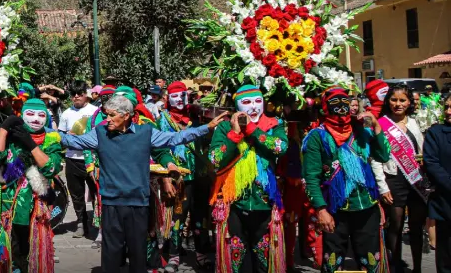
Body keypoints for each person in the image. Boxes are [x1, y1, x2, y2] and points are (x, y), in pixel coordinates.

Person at [60, 94, 228, 273]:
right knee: (111, 254)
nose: (107, 119)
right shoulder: (100, 133)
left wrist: (206, 128)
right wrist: (46, 133)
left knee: (138, 253)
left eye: (112, 115)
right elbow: (73, 141)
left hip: (138, 203)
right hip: (111, 203)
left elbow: (175, 138)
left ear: (126, 115)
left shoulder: (146, 132)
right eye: (106, 114)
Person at [303, 86, 391, 273]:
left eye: (345, 102)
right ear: (325, 108)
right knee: (333, 262)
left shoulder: (361, 131)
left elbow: (383, 155)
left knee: (370, 261)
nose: (341, 108)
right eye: (335, 103)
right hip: (335, 209)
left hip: (366, 205)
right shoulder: (317, 136)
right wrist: (321, 209)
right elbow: (311, 176)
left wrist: (376, 126)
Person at [207, 85, 288, 273]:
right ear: (237, 106)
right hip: (234, 203)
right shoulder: (225, 127)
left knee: (264, 261)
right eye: (246, 102)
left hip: (264, 202)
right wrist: (234, 135)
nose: (253, 106)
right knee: (237, 259)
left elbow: (280, 147)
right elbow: (215, 159)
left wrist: (252, 130)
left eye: (257, 101)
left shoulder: (274, 124)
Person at [0, 99, 63, 272]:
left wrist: (31, 144)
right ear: (22, 115)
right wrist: (5, 127)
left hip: (36, 209)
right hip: (7, 206)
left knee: (30, 254)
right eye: (30, 114)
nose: (35, 119)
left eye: (41, 115)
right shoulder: (9, 136)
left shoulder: (51, 140)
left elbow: (51, 167)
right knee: (10, 255)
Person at [154, 81, 213, 270]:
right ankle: (174, 255)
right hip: (178, 176)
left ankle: (201, 253)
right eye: (175, 96)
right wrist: (165, 177)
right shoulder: (163, 120)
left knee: (200, 216)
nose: (179, 99)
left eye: (182, 95)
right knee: (177, 216)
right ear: (168, 98)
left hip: (200, 174)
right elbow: (159, 148)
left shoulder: (197, 116)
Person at [372, 85, 428, 273]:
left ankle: (417, 267)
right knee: (395, 225)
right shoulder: (381, 123)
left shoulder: (415, 122)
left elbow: (421, 149)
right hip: (393, 179)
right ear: (388, 101)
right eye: (394, 100)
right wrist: (383, 187)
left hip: (415, 178)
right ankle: (395, 266)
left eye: (402, 100)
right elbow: (376, 158)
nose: (398, 104)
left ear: (409, 102)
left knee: (416, 226)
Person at [56, 80, 99, 239]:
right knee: (76, 194)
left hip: (92, 159)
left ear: (85, 94)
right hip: (72, 158)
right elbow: (60, 136)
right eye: (73, 94)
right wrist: (66, 136)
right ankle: (81, 223)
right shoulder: (66, 113)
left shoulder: (95, 111)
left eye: (79, 94)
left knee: (96, 192)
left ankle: (99, 223)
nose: (76, 97)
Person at [423, 94, 451, 273]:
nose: (448, 111)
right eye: (446, 107)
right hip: (446, 202)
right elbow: (431, 163)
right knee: (446, 255)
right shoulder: (436, 133)